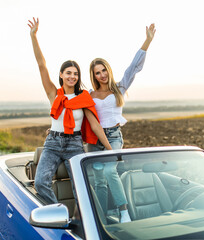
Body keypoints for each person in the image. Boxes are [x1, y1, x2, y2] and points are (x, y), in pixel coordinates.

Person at [28, 18, 112, 204]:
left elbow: (95, 125)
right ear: (61, 75)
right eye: (68, 73)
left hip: (74, 144)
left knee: (80, 186)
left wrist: (110, 149)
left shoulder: (83, 98)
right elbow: (42, 65)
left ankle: (81, 220)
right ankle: (58, 212)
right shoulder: (54, 94)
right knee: (41, 183)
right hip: (53, 143)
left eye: (75, 74)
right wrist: (34, 36)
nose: (72, 76)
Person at [88, 23, 156, 223]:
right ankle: (100, 216)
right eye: (98, 73)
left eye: (104, 70)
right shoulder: (89, 95)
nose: (102, 75)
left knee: (110, 170)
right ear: (94, 76)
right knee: (99, 180)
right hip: (96, 140)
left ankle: (123, 211)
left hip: (114, 136)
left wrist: (148, 40)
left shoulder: (120, 87)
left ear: (108, 70)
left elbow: (134, 66)